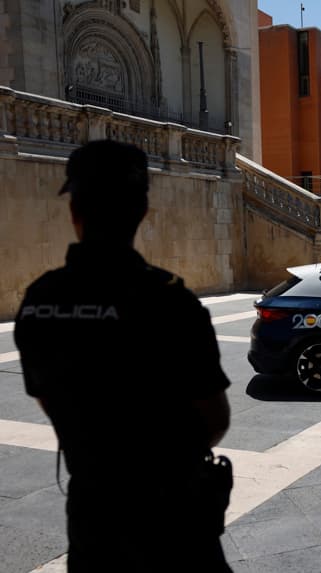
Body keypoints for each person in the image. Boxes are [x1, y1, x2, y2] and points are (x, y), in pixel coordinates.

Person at [14, 140, 233, 572]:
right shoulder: (171, 302)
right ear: (141, 213)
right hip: (174, 523)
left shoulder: (41, 300)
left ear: (74, 212)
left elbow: (49, 397)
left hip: (94, 520)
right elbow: (215, 420)